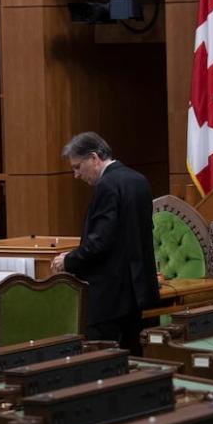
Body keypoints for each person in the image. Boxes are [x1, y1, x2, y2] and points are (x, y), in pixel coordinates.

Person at [51, 132, 159, 355]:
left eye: (77, 167)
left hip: (109, 299)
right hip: (137, 294)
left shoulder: (107, 185)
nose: (76, 175)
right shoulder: (139, 180)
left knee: (104, 366)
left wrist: (68, 261)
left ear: (93, 157)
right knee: (135, 361)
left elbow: (99, 243)